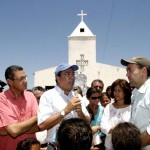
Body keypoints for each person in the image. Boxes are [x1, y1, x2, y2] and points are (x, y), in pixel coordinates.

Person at [38, 63, 90, 150]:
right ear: (57, 78)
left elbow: (87, 122)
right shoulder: (48, 96)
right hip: (56, 146)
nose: (72, 77)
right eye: (67, 74)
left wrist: (80, 113)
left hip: (78, 145)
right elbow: (42, 125)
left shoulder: (77, 96)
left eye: (73, 74)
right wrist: (66, 110)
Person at [0, 65, 39, 150]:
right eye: (21, 79)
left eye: (25, 78)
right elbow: (14, 131)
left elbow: (39, 126)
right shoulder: (2, 99)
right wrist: (36, 117)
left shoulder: (31, 96)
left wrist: (9, 130)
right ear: (10, 82)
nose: (25, 81)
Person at [121, 56, 150, 150]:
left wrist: (134, 145)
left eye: (130, 70)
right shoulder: (135, 94)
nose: (127, 74)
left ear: (143, 71)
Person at [101, 79, 131, 150]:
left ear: (125, 92)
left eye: (119, 91)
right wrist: (112, 130)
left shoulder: (131, 107)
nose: (116, 93)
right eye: (115, 90)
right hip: (109, 144)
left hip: (126, 144)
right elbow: (103, 124)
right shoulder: (109, 107)